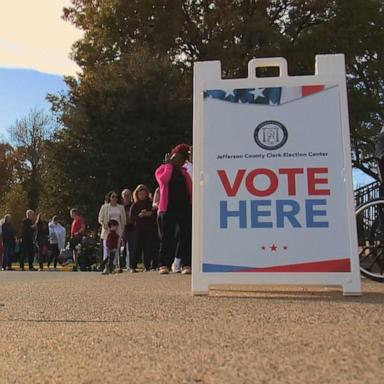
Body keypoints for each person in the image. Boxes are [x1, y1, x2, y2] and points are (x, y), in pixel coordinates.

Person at [155, 144, 192, 274]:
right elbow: (163, 181)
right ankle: (163, 264)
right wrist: (168, 166)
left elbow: (190, 190)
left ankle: (186, 264)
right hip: (167, 208)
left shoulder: (185, 174)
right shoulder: (162, 170)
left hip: (183, 207)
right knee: (166, 237)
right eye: (175, 157)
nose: (177, 160)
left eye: (181, 158)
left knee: (185, 236)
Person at [130, 184, 157, 271]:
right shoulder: (135, 205)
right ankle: (133, 266)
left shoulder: (150, 203)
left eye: (143, 193)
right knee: (137, 247)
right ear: (137, 194)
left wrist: (150, 214)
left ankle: (147, 266)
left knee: (148, 248)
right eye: (140, 194)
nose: (142, 195)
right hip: (139, 229)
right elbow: (132, 217)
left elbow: (155, 213)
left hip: (149, 229)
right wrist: (139, 215)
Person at [98, 191, 126, 272]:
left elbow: (123, 220)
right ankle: (106, 265)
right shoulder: (104, 207)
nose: (115, 198)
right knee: (107, 248)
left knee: (116, 249)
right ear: (110, 198)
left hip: (118, 230)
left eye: (116, 197)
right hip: (107, 231)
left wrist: (122, 231)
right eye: (113, 197)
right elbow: (100, 218)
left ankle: (113, 266)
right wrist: (104, 224)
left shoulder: (121, 207)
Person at [121, 189, 135, 271]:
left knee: (131, 248)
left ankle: (130, 265)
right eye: (125, 195)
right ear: (122, 197)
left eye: (128, 195)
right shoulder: (120, 207)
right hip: (122, 228)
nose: (127, 197)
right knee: (122, 249)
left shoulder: (133, 205)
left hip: (132, 228)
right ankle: (120, 265)